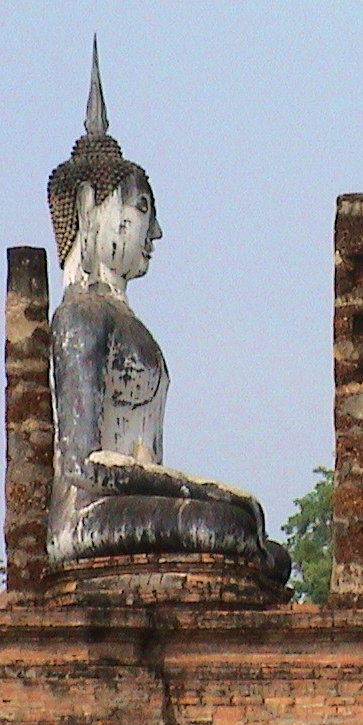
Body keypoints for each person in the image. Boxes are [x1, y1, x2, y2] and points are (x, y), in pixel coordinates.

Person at [44, 42, 288, 584]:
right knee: (223, 523)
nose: (154, 233)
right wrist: (203, 490)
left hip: (128, 506)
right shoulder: (80, 318)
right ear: (89, 207)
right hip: (87, 517)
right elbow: (84, 465)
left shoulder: (129, 324)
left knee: (253, 540)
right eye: (142, 210)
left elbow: (141, 458)